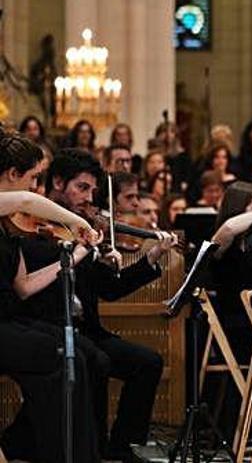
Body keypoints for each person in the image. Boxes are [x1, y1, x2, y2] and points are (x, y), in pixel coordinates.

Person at [16, 148, 177, 460]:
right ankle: (91, 448)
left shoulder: (82, 230)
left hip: (87, 330)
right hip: (47, 327)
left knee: (147, 363)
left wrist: (150, 258)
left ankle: (121, 447)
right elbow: (33, 278)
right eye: (82, 188)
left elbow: (110, 289)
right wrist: (78, 251)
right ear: (58, 182)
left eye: (93, 190)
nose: (90, 198)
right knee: (96, 361)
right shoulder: (33, 227)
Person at [0, 135, 101, 463]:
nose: (34, 188)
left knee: (73, 352)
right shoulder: (13, 205)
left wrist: (74, 256)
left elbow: (25, 286)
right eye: (32, 179)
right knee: (58, 355)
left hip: (9, 321)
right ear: (13, 174)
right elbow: (27, 203)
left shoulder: (8, 226)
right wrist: (76, 221)